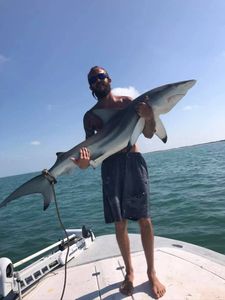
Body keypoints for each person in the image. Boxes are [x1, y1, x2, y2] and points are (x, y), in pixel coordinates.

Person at [72, 66, 166, 298]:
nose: (98, 81)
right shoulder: (90, 117)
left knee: (145, 219)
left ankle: (151, 272)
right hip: (110, 167)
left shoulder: (129, 102)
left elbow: (149, 134)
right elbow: (90, 150)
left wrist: (149, 115)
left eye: (101, 77)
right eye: (93, 80)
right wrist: (85, 163)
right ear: (90, 86)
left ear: (109, 79)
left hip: (133, 160)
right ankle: (130, 272)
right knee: (120, 223)